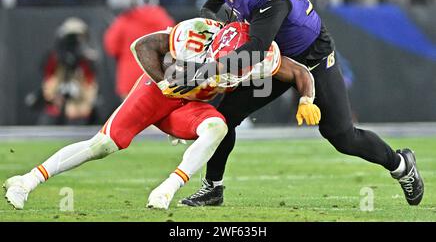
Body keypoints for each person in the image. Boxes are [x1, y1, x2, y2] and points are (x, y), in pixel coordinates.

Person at [174, 0, 423, 207]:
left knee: (340, 135)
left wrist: (206, 71)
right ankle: (212, 188)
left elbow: (255, 50)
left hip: (310, 54)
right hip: (276, 55)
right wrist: (209, 18)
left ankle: (401, 164)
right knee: (225, 116)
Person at [4, 18, 320, 210]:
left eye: (239, 67)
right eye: (226, 64)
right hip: (159, 92)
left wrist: (307, 98)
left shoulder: (260, 56)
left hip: (190, 104)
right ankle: (26, 181)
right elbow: (142, 46)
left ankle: (167, 189)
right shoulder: (194, 35)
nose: (230, 72)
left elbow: (300, 72)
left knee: (217, 127)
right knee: (102, 145)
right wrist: (164, 82)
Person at [104, 0, 175, 99]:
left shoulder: (125, 20)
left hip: (130, 79)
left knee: (131, 115)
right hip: (158, 78)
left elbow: (111, 46)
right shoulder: (165, 20)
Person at [35, 17, 99, 125]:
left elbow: (90, 89)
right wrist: (55, 98)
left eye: (78, 38)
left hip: (79, 109)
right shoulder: (53, 58)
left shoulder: (87, 62)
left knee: (79, 115)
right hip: (55, 108)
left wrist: (82, 103)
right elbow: (48, 87)